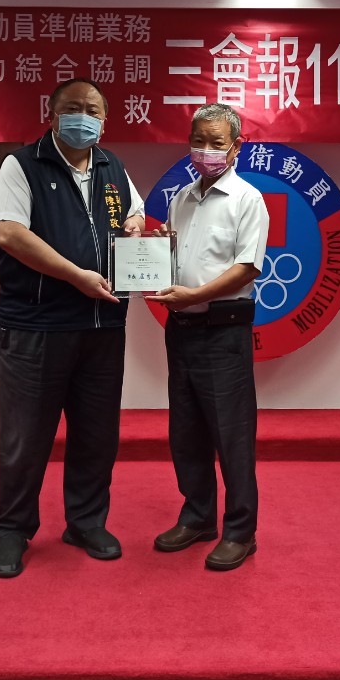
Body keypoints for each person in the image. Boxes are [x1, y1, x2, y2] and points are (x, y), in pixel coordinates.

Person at [0, 78, 145, 579]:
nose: (83, 118)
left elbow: (135, 213)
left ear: (105, 119)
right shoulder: (22, 164)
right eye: (73, 108)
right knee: (25, 438)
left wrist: (136, 227)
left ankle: (86, 522)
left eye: (93, 110)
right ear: (51, 115)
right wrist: (76, 276)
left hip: (102, 327)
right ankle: (13, 531)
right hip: (37, 326)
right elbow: (9, 233)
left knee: (97, 435)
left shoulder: (112, 167)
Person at [148, 103, 269, 571]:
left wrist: (195, 294)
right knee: (186, 431)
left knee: (231, 434)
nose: (206, 150)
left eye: (216, 143)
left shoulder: (246, 199)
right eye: (198, 141)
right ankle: (198, 516)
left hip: (223, 330)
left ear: (236, 147)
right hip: (181, 329)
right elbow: (173, 256)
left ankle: (241, 531)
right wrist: (149, 257)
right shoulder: (181, 197)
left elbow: (247, 268)